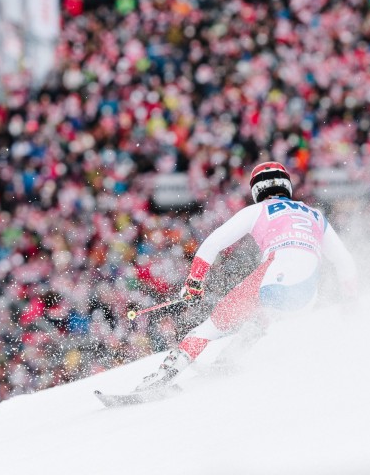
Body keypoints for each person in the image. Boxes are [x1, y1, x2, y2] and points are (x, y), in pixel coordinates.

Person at [137, 161, 358, 390]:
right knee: (265, 312)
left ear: (256, 190)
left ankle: (162, 377)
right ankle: (229, 358)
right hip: (307, 294)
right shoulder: (316, 215)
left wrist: (194, 283)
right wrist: (350, 300)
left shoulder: (257, 210)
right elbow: (344, 260)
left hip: (275, 279)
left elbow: (212, 244)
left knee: (210, 327)